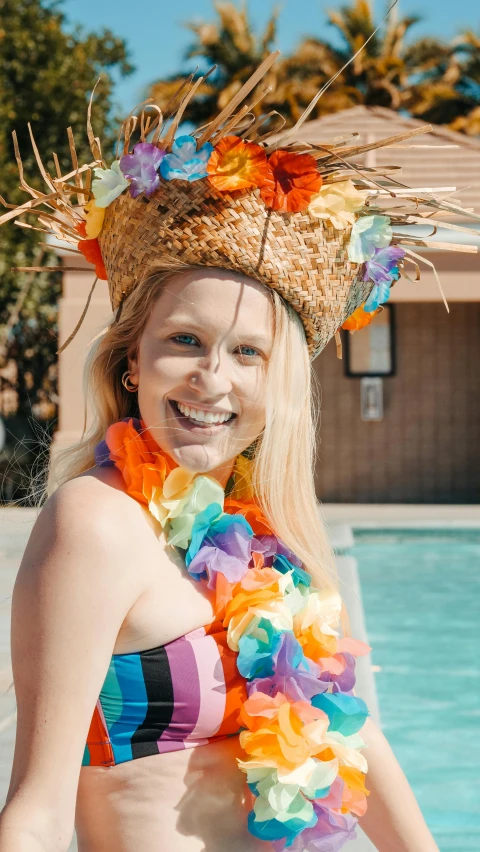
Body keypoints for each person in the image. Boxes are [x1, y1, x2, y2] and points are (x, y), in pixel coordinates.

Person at [0, 50, 474, 852]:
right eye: (185, 340)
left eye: (249, 354)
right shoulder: (96, 522)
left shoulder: (269, 543)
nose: (212, 380)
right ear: (131, 357)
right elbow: (38, 811)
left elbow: (361, 742)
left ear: (280, 382)